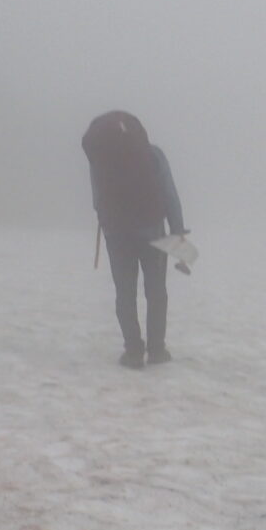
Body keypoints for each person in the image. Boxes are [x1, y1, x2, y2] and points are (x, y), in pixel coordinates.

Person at [81, 110, 186, 368]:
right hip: (152, 229)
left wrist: (109, 224)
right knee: (156, 291)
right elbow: (170, 195)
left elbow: (97, 199)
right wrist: (178, 232)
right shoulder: (153, 155)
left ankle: (133, 352)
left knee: (125, 293)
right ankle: (157, 350)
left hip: (117, 233)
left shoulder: (101, 160)